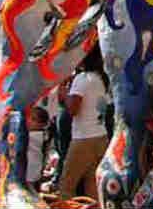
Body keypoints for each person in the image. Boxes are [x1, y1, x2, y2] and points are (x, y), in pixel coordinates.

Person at [57, 47, 110, 200]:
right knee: (92, 186)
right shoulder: (101, 79)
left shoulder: (82, 79)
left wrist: (64, 95)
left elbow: (73, 109)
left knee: (66, 186)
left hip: (83, 139)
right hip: (101, 136)